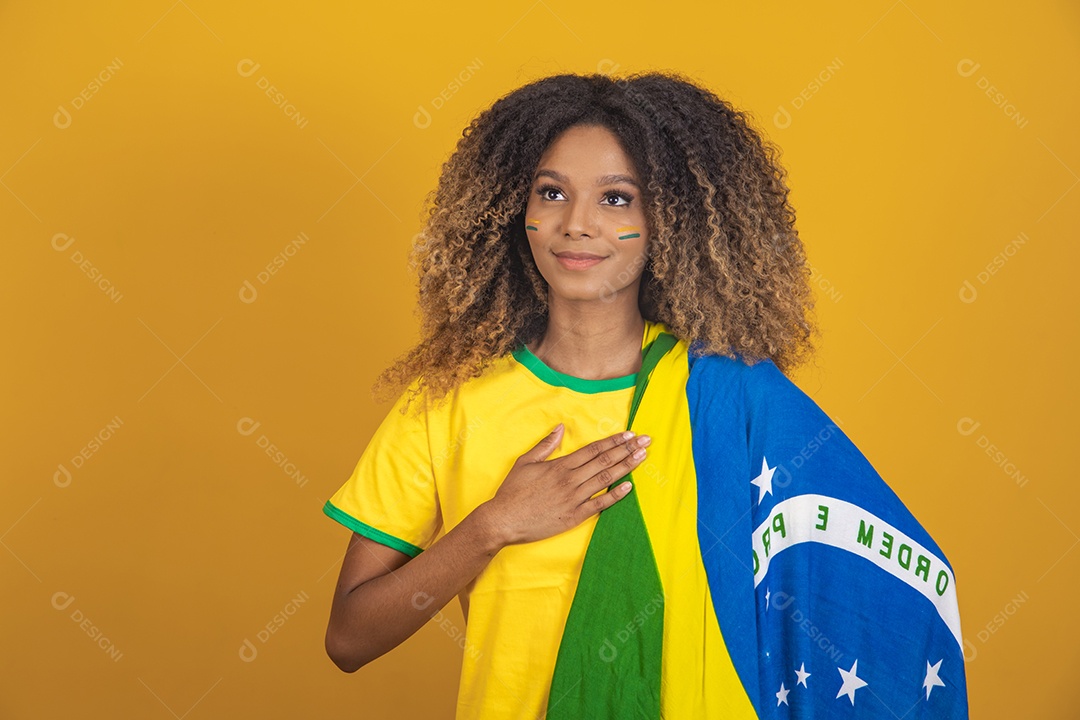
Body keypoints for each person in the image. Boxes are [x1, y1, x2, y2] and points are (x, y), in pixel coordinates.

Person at [322, 71, 968, 719]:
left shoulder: (728, 398)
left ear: (670, 218)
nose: (577, 224)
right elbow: (349, 639)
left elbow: (871, 575)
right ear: (517, 209)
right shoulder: (449, 400)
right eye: (552, 193)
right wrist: (493, 526)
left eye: (616, 199)